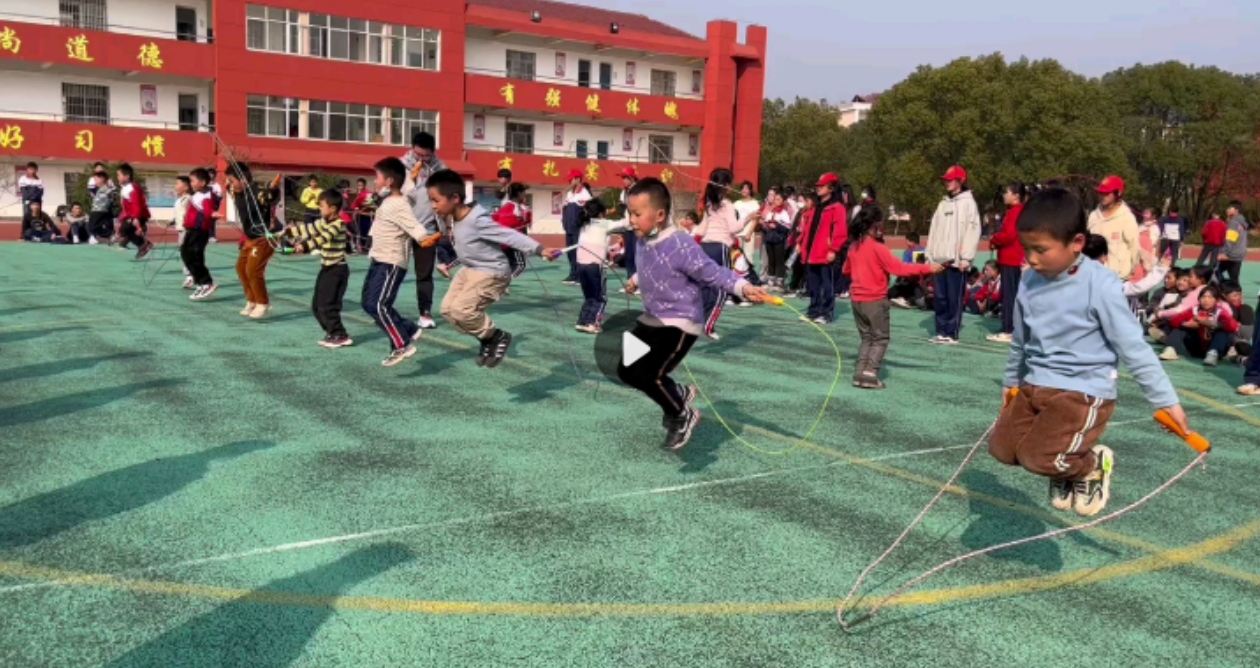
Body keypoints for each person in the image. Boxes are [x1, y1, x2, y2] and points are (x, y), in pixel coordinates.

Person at [993, 187, 1191, 518]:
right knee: (1003, 449)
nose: (1032, 259)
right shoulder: (1029, 282)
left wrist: (1165, 401)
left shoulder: (1100, 285)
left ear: (1077, 243)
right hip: (1036, 383)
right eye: (1027, 249)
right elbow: (1021, 340)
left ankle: (1090, 467)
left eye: (1041, 250)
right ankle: (1063, 465)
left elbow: (1133, 347)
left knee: (1037, 458)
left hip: (1082, 390)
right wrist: (1011, 379)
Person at [618, 178, 770, 451]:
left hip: (680, 321)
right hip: (652, 319)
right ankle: (678, 392)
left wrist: (743, 287)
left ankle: (681, 415)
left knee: (648, 374)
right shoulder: (643, 239)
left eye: (637, 214)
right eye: (630, 213)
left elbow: (713, 272)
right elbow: (651, 265)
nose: (632, 220)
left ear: (660, 215)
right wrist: (636, 279)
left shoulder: (681, 243)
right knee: (626, 369)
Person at [427, 169, 560, 368]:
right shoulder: (453, 217)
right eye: (431, 200)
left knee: (461, 311)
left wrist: (540, 249)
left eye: (436, 200)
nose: (433, 205)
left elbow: (509, 235)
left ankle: (496, 336)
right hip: (470, 269)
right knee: (447, 310)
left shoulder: (477, 220)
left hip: (491, 271)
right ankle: (487, 339)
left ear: (454, 198)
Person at [843, 206, 941, 389]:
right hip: (874, 299)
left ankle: (859, 373)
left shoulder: (854, 247)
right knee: (880, 338)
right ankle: (870, 374)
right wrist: (928, 268)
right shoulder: (878, 248)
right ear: (875, 225)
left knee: (867, 338)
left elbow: (846, 270)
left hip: (857, 300)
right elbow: (900, 269)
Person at [364, 157, 430, 367]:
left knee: (379, 305)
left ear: (389, 181)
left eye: (377, 177)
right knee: (368, 304)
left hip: (390, 262)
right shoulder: (389, 198)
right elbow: (408, 183)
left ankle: (401, 345)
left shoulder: (399, 205)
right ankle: (409, 328)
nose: (375, 181)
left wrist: (425, 238)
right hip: (378, 258)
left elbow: (415, 227)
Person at [286, 189, 352, 348]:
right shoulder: (323, 221)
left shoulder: (338, 225)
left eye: (322, 206)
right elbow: (309, 229)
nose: (319, 209)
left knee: (328, 305)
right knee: (316, 306)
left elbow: (322, 238)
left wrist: (303, 246)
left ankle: (340, 335)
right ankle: (331, 332)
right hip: (326, 269)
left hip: (337, 270)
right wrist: (286, 232)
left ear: (333, 209)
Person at [926, 165, 981, 344]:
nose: (947, 183)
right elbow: (933, 230)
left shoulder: (969, 203)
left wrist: (966, 258)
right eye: (946, 180)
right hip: (939, 259)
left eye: (950, 180)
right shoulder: (942, 204)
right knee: (940, 298)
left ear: (960, 181)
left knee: (953, 298)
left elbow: (973, 231)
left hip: (957, 261)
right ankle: (941, 331)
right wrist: (929, 255)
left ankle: (951, 333)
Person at [401, 131, 447, 330]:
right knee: (392, 271)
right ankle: (382, 308)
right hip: (402, 228)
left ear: (433, 153)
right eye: (417, 154)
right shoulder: (401, 166)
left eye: (425, 156)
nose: (421, 159)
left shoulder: (441, 170)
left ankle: (425, 313)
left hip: (427, 229)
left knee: (425, 274)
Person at [693, 168, 744, 339]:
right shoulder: (727, 204)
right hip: (720, 248)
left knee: (705, 285)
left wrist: (689, 231)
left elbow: (701, 230)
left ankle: (699, 321)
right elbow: (734, 228)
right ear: (726, 185)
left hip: (705, 247)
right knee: (723, 286)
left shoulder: (709, 204)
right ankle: (708, 325)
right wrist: (749, 218)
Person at [226, 163, 280, 319]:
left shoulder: (258, 193)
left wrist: (273, 190)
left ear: (243, 180)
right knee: (241, 268)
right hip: (249, 239)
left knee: (253, 270)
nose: (230, 184)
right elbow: (227, 187)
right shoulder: (235, 192)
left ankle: (263, 303)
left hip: (264, 238)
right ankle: (252, 301)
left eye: (232, 181)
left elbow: (269, 198)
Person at [798, 174, 847, 323]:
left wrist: (833, 249)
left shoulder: (837, 208)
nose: (818, 188)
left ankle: (826, 313)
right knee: (813, 285)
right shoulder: (816, 207)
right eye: (818, 185)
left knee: (827, 285)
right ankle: (814, 311)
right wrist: (800, 243)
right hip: (812, 252)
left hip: (825, 253)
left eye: (822, 186)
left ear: (831, 188)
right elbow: (808, 229)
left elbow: (840, 231)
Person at [574, 198, 627, 333]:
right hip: (595, 265)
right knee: (600, 297)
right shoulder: (604, 224)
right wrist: (629, 210)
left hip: (581, 265)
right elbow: (625, 223)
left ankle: (583, 321)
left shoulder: (585, 223)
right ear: (601, 213)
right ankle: (593, 323)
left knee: (589, 296)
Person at [1158, 285, 1239, 366]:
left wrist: (1208, 323)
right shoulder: (1194, 310)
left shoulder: (1220, 311)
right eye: (1203, 297)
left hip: (1215, 348)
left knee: (1223, 332)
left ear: (1216, 300)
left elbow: (1233, 326)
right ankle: (1170, 349)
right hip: (1196, 348)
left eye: (1210, 297)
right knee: (1179, 328)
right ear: (1199, 299)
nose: (1206, 300)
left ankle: (1212, 354)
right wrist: (1186, 324)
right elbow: (1173, 321)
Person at [987, 183, 1027, 343]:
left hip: (1011, 258)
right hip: (1015, 258)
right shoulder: (1019, 211)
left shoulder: (1015, 212)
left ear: (1016, 196)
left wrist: (994, 239)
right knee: (1014, 294)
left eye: (1007, 192)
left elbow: (1009, 235)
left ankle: (1009, 329)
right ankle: (1013, 328)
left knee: (1009, 296)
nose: (1004, 195)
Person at [1086, 175, 1140, 280]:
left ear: (1118, 193)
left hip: (1118, 277)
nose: (1103, 196)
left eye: (1107, 193)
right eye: (1101, 193)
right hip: (1094, 275)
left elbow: (1134, 247)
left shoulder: (1127, 218)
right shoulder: (1093, 215)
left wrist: (1132, 270)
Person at [182, 169, 218, 300]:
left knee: (195, 256)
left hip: (199, 231)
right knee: (185, 253)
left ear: (202, 183)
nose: (191, 183)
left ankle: (207, 283)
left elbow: (209, 211)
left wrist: (213, 214)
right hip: (191, 230)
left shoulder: (207, 196)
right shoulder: (197, 194)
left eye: (193, 181)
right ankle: (200, 283)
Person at [491, 182, 532, 280]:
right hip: (511, 242)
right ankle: (504, 281)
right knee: (520, 265)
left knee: (508, 265)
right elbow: (511, 223)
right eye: (523, 193)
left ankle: (501, 281)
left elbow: (495, 219)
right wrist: (522, 221)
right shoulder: (515, 208)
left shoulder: (506, 207)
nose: (524, 195)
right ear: (519, 194)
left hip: (503, 242)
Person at [116, 163, 155, 259]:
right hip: (131, 215)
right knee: (123, 230)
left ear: (127, 176)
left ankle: (143, 244)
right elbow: (126, 207)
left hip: (138, 215)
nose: (117, 177)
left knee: (125, 229)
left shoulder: (133, 188)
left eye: (119, 175)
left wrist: (136, 218)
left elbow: (136, 204)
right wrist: (122, 218)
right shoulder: (124, 188)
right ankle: (143, 244)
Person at [561, 170, 593, 285]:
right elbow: (565, 209)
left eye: (571, 179)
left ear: (578, 179)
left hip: (578, 228)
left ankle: (580, 276)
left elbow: (588, 212)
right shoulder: (570, 193)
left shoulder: (585, 194)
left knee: (578, 253)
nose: (569, 182)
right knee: (570, 252)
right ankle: (573, 274)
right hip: (569, 227)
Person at [761, 186, 792, 291]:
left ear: (783, 201)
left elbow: (787, 227)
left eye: (778, 199)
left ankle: (779, 282)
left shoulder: (784, 213)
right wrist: (766, 225)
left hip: (779, 240)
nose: (776, 201)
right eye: (775, 199)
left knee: (779, 261)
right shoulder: (771, 211)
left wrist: (777, 226)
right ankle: (771, 280)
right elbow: (766, 224)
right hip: (769, 239)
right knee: (771, 260)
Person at [617, 168, 640, 292]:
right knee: (629, 255)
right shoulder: (624, 192)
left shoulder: (639, 190)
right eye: (622, 178)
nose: (623, 180)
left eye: (625, 178)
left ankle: (639, 284)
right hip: (627, 227)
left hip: (638, 227)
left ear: (632, 178)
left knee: (638, 255)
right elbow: (623, 210)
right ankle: (630, 283)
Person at [1219, 200, 1250, 285]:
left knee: (1215, 273)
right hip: (1239, 253)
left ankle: (1223, 288)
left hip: (1231, 254)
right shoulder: (1242, 222)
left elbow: (1230, 239)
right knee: (1234, 278)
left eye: (1230, 208)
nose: (1227, 210)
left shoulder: (1234, 222)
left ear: (1236, 210)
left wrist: (1224, 253)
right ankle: (1234, 290)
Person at [170, 177, 193, 288]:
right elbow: (179, 214)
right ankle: (191, 276)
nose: (175, 186)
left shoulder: (190, 200)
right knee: (184, 253)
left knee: (186, 253)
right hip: (181, 230)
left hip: (188, 230)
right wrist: (173, 221)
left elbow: (191, 215)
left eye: (178, 184)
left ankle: (191, 277)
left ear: (186, 187)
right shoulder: (179, 200)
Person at [734, 180, 762, 273]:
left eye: (746, 188)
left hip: (748, 233)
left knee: (748, 255)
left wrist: (749, 232)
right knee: (737, 255)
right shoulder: (736, 203)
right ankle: (737, 275)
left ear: (750, 190)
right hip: (737, 233)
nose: (744, 190)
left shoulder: (755, 203)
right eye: (742, 188)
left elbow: (756, 220)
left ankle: (749, 275)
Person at [1221, 282, 1254, 362]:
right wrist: (1234, 324)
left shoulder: (1244, 308)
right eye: (1235, 295)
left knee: (1246, 309)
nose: (1239, 298)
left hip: (1242, 338)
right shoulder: (1221, 307)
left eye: (1240, 295)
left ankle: (1244, 349)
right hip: (1228, 337)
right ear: (1224, 296)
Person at [349, 177, 374, 254]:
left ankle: (366, 248)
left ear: (365, 185)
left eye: (361, 185)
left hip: (366, 216)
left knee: (367, 232)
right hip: (358, 216)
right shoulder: (356, 194)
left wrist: (363, 205)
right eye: (359, 185)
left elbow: (370, 203)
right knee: (359, 232)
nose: (360, 187)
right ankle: (361, 248)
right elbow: (353, 205)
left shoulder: (369, 193)